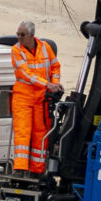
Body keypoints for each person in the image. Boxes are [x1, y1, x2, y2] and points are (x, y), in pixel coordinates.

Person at [8, 20, 60, 175]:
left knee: (41, 133)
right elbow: (26, 74)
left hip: (42, 98)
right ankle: (20, 168)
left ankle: (37, 169)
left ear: (31, 35)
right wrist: (48, 85)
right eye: (17, 34)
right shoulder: (16, 50)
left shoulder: (45, 47)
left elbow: (55, 67)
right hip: (23, 97)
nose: (19, 37)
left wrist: (55, 84)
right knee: (23, 131)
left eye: (22, 35)